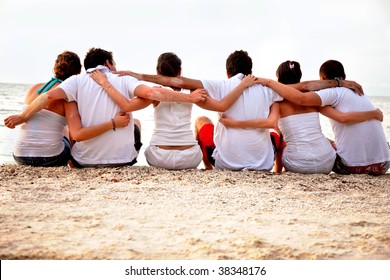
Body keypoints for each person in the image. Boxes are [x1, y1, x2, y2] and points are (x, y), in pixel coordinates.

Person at [4, 48, 207, 167]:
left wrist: (23, 117)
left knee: (70, 127)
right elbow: (153, 93)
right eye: (115, 63)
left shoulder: (76, 81)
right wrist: (189, 99)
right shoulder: (123, 79)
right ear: (108, 63)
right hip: (123, 160)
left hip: (84, 161)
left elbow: (46, 97)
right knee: (135, 122)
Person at [90, 52, 260, 169]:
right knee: (201, 120)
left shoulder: (153, 94)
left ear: (158, 72)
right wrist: (243, 85)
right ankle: (208, 166)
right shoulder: (194, 93)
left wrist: (108, 82)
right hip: (189, 158)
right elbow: (221, 106)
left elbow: (127, 105)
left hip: (158, 158)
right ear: (180, 71)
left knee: (137, 123)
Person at [220, 60, 383, 174]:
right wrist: (373, 113)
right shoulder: (314, 99)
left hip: (297, 164)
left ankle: (278, 171)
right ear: (299, 77)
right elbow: (341, 117)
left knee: (281, 137)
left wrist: (235, 122)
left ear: (278, 79)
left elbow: (271, 123)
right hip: (326, 163)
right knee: (326, 140)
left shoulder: (276, 101)